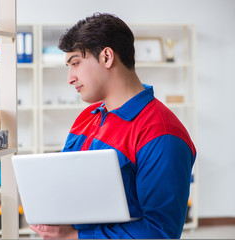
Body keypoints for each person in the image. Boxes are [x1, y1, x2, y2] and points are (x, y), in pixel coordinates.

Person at [29, 13, 196, 239]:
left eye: (75, 63)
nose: (70, 78)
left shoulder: (162, 134)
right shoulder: (86, 118)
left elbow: (160, 232)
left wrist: (73, 236)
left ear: (107, 57)